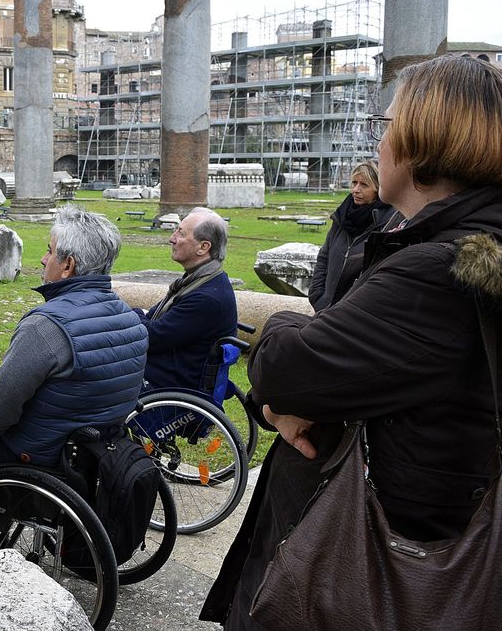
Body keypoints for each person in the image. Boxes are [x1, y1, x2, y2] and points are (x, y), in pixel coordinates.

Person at [201, 54, 502, 628]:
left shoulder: (437, 273)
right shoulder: (455, 249)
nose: (378, 143)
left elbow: (286, 366)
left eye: (386, 126)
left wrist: (283, 335)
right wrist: (287, 400)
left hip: (372, 565)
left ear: (422, 141)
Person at [0, 207, 149, 523]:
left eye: (49, 251)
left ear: (68, 265)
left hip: (40, 457)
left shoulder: (47, 327)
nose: (43, 259)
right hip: (95, 452)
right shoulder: (130, 319)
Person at [136, 207, 237, 392]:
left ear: (203, 247)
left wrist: (131, 312)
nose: (172, 238)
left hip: (169, 386)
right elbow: (152, 319)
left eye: (181, 233)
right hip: (165, 372)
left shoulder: (207, 298)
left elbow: (151, 337)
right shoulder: (198, 281)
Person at [308, 161, 402, 311]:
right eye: (354, 183)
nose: (356, 190)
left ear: (378, 189)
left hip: (358, 311)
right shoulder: (342, 216)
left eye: (364, 185)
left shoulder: (388, 224)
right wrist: (318, 296)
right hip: (326, 307)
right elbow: (324, 256)